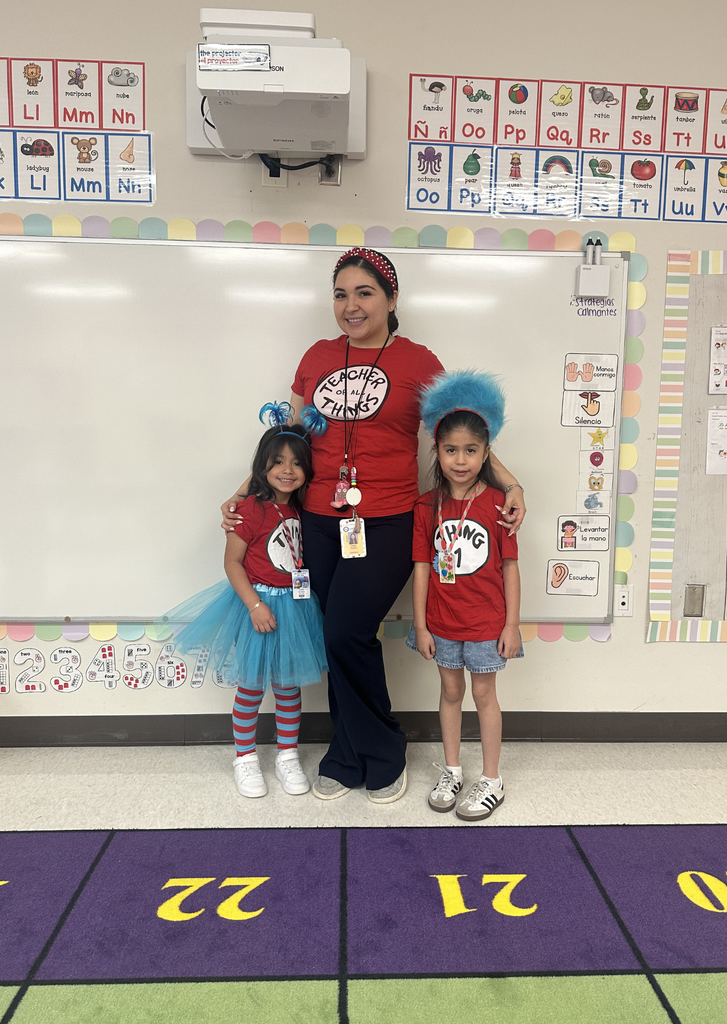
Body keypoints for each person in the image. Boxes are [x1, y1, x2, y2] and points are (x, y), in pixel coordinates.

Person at [221, 248, 527, 805]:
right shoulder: (315, 356)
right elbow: (285, 440)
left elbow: (465, 430)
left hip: (386, 518)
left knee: (346, 631)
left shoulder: (417, 361)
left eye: (364, 293)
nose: (351, 305)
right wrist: (245, 491)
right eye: (341, 294)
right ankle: (348, 753)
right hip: (316, 517)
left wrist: (510, 483)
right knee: (339, 636)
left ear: (391, 299)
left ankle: (381, 750)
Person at [169, 406, 327, 799]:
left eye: (296, 464)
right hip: (258, 606)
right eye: (277, 462)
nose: (287, 470)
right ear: (262, 466)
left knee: (289, 687)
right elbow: (232, 562)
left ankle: (287, 756)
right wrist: (256, 606)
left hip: (297, 607)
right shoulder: (249, 510)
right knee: (252, 688)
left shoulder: (304, 508)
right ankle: (245, 758)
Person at [407, 370, 522, 822]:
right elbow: (421, 568)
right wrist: (420, 625)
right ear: (437, 450)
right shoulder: (425, 507)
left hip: (487, 624)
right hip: (441, 622)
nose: (460, 460)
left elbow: (510, 568)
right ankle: (453, 770)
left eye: (471, 450)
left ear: (487, 452)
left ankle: (491, 779)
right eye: (451, 450)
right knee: (450, 691)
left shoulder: (500, 505)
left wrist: (512, 624)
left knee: (484, 694)